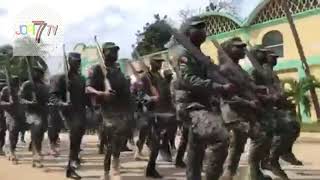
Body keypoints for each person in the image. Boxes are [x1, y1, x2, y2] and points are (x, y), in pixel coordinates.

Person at [174, 16, 234, 180]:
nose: (203, 30)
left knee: (196, 149)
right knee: (221, 136)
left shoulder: (200, 55)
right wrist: (219, 87)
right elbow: (188, 80)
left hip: (204, 104)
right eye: (197, 27)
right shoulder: (183, 54)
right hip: (190, 105)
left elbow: (213, 75)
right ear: (187, 32)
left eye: (203, 27)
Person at [86, 42, 135, 180]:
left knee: (119, 141)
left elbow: (125, 91)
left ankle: (116, 163)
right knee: (109, 143)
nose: (115, 54)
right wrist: (102, 94)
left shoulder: (118, 70)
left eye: (116, 51)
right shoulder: (97, 69)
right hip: (108, 111)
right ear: (104, 53)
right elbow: (88, 88)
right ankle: (108, 172)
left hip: (122, 111)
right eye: (112, 51)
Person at [49, 52, 88, 179]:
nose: (78, 63)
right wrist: (62, 103)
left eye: (79, 61)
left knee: (78, 139)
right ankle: (70, 168)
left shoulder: (81, 79)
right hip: (68, 113)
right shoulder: (60, 78)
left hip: (81, 112)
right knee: (74, 139)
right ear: (69, 62)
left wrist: (92, 106)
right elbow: (53, 96)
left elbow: (85, 97)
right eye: (75, 61)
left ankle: (74, 159)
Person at [19, 66, 49, 168]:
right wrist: (30, 102)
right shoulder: (27, 84)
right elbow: (20, 99)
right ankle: (36, 157)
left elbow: (48, 100)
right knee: (36, 131)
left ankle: (36, 152)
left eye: (39, 73)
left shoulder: (44, 86)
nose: (37, 74)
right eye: (35, 72)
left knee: (39, 135)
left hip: (43, 113)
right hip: (31, 113)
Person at [0, 76, 25, 164]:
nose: (16, 82)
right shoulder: (6, 90)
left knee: (16, 133)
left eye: (17, 81)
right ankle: (11, 152)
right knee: (12, 130)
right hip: (10, 114)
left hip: (19, 114)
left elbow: (24, 100)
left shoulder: (21, 90)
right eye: (14, 81)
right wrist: (8, 104)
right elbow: (1, 102)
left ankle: (12, 148)